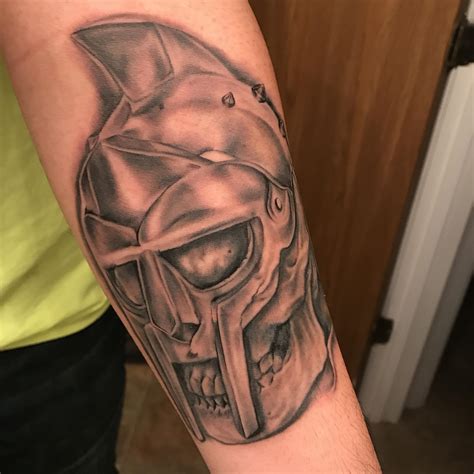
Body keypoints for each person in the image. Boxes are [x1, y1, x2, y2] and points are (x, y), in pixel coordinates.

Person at [0, 1, 380, 472]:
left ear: (277, 215)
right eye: (135, 279)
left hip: (46, 328)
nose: (173, 321)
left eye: (209, 254)